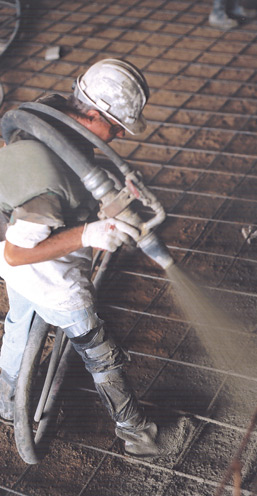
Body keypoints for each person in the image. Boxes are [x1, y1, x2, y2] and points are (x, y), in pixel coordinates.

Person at [0, 58, 190, 458]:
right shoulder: (47, 185)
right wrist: (90, 233)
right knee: (100, 351)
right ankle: (138, 434)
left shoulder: (49, 114)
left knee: (18, 324)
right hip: (41, 268)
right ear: (94, 114)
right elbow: (20, 253)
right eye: (117, 126)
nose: (119, 135)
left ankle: (5, 399)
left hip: (8, 240)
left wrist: (105, 200)